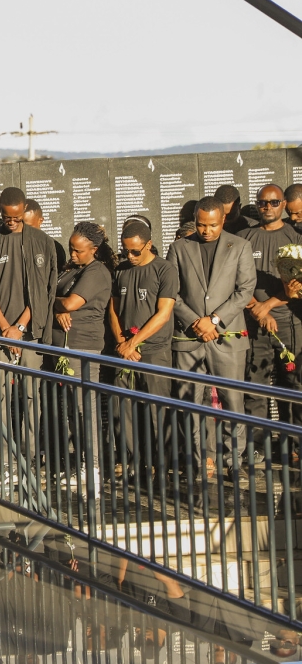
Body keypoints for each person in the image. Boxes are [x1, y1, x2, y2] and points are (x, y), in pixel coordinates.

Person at [165, 197, 256, 478]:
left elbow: (245, 290)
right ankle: (198, 459)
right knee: (190, 401)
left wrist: (214, 320)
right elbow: (172, 293)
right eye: (202, 225)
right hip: (189, 336)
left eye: (213, 225)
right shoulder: (179, 247)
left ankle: (235, 461)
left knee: (233, 400)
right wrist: (195, 321)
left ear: (223, 220)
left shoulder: (239, 246)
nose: (206, 231)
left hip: (225, 336)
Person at [108, 219, 178, 479]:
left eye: (135, 251)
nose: (130, 256)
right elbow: (113, 310)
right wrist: (121, 342)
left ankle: (162, 465)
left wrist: (133, 343)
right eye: (125, 250)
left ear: (149, 244)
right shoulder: (121, 270)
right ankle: (132, 462)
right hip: (125, 350)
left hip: (154, 351)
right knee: (121, 407)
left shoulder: (165, 270)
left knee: (157, 410)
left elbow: (163, 313)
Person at [49, 222, 115, 486]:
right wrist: (56, 307)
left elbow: (71, 302)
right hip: (64, 348)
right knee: (73, 413)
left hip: (83, 348)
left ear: (94, 250)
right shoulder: (73, 270)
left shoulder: (97, 272)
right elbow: (59, 302)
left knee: (84, 410)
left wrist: (54, 303)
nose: (72, 255)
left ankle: (94, 469)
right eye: (70, 249)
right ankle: (84, 465)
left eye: (77, 251)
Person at [239, 184, 302, 432]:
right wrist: (257, 309)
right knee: (256, 387)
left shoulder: (296, 239)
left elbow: (297, 288)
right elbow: (235, 282)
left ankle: (295, 445)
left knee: (293, 385)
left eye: (274, 202)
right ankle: (257, 448)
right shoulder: (244, 238)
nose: (267, 207)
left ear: (284, 204)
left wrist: (268, 306)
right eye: (262, 203)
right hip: (253, 324)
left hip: (289, 322)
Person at [0, 187, 58, 364]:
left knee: (31, 389)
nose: (11, 222)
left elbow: (43, 291)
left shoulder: (42, 241)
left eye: (16, 217)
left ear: (24, 208)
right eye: (7, 218)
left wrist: (19, 328)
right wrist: (5, 328)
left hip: (30, 330)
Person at [23, 199, 67, 271]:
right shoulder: (12, 246)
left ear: (40, 221)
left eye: (29, 227)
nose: (24, 231)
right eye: (21, 227)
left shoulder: (54, 248)